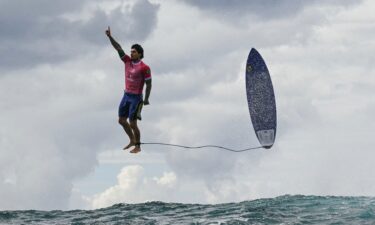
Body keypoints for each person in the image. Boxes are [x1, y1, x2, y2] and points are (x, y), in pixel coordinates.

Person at [105, 26, 152, 154]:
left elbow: (149, 84)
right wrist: (110, 37)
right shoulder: (127, 61)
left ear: (140, 54)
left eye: (134, 52)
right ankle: (131, 140)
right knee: (121, 120)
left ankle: (138, 146)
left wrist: (146, 99)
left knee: (133, 123)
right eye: (131, 51)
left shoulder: (144, 67)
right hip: (126, 95)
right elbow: (118, 48)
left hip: (136, 98)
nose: (131, 54)